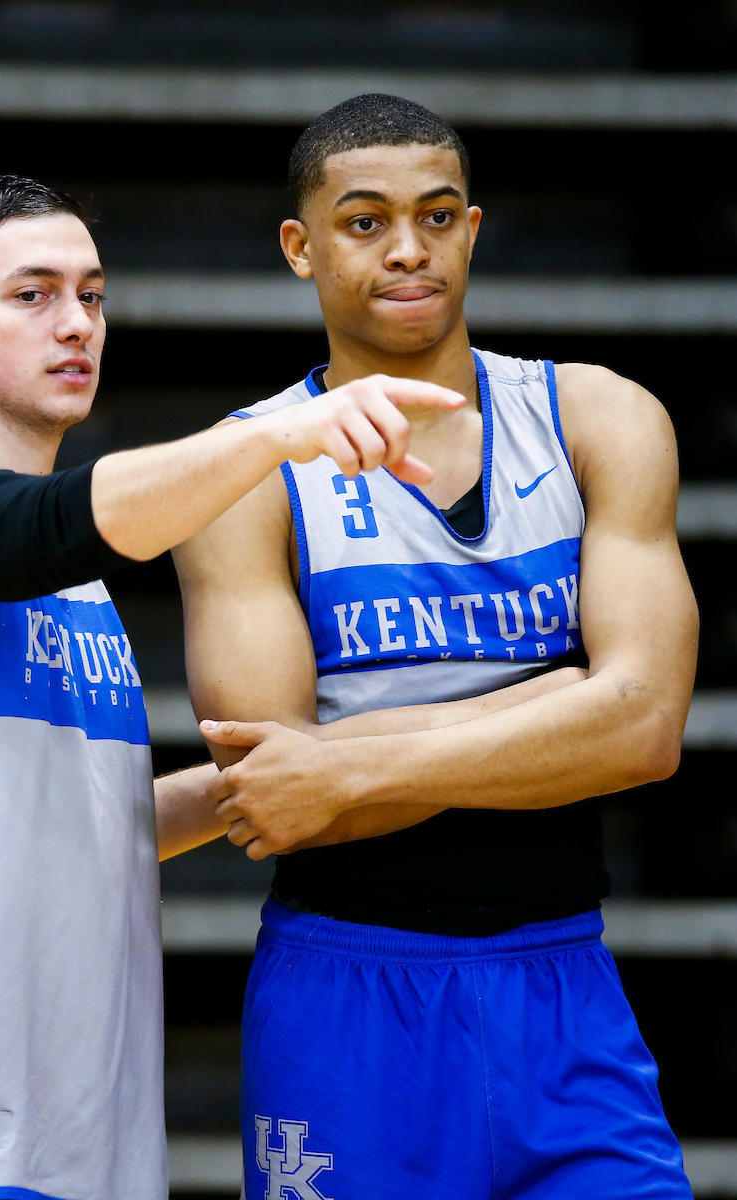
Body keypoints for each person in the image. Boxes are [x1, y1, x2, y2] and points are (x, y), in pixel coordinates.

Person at [0, 171, 464, 1200]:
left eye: (91, 296)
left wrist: (296, 775)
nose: (75, 324)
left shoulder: (77, 586)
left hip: (83, 1143)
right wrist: (276, 435)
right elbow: (59, 519)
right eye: (32, 295)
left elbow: (75, 820)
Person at [174, 96, 698, 1198]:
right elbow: (279, 794)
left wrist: (352, 756)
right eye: (363, 222)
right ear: (299, 248)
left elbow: (645, 732)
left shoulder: (600, 419)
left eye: (437, 214)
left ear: (472, 228)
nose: (407, 248)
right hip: (346, 993)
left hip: (562, 983)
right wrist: (558, 703)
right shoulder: (239, 472)